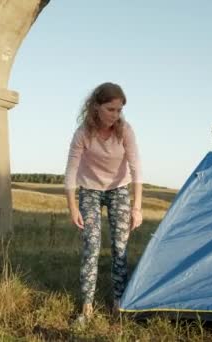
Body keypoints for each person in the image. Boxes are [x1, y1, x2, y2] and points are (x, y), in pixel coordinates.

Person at [64, 82, 143, 324]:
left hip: (119, 189)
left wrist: (137, 207)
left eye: (119, 110)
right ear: (96, 107)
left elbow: (136, 168)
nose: (115, 115)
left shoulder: (125, 131)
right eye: (111, 109)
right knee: (92, 246)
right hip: (89, 190)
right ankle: (87, 306)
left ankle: (119, 302)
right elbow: (70, 172)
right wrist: (73, 208)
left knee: (120, 247)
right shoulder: (83, 133)